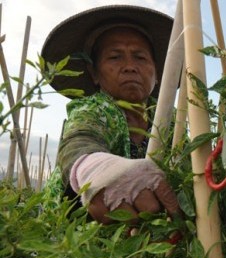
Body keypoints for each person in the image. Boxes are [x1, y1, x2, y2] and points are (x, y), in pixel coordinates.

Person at [42, 5, 181, 224]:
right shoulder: (95, 110)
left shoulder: (168, 120)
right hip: (75, 246)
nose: (129, 67)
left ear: (157, 73)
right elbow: (79, 140)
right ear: (94, 73)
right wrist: (95, 168)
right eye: (115, 57)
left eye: (140, 58)